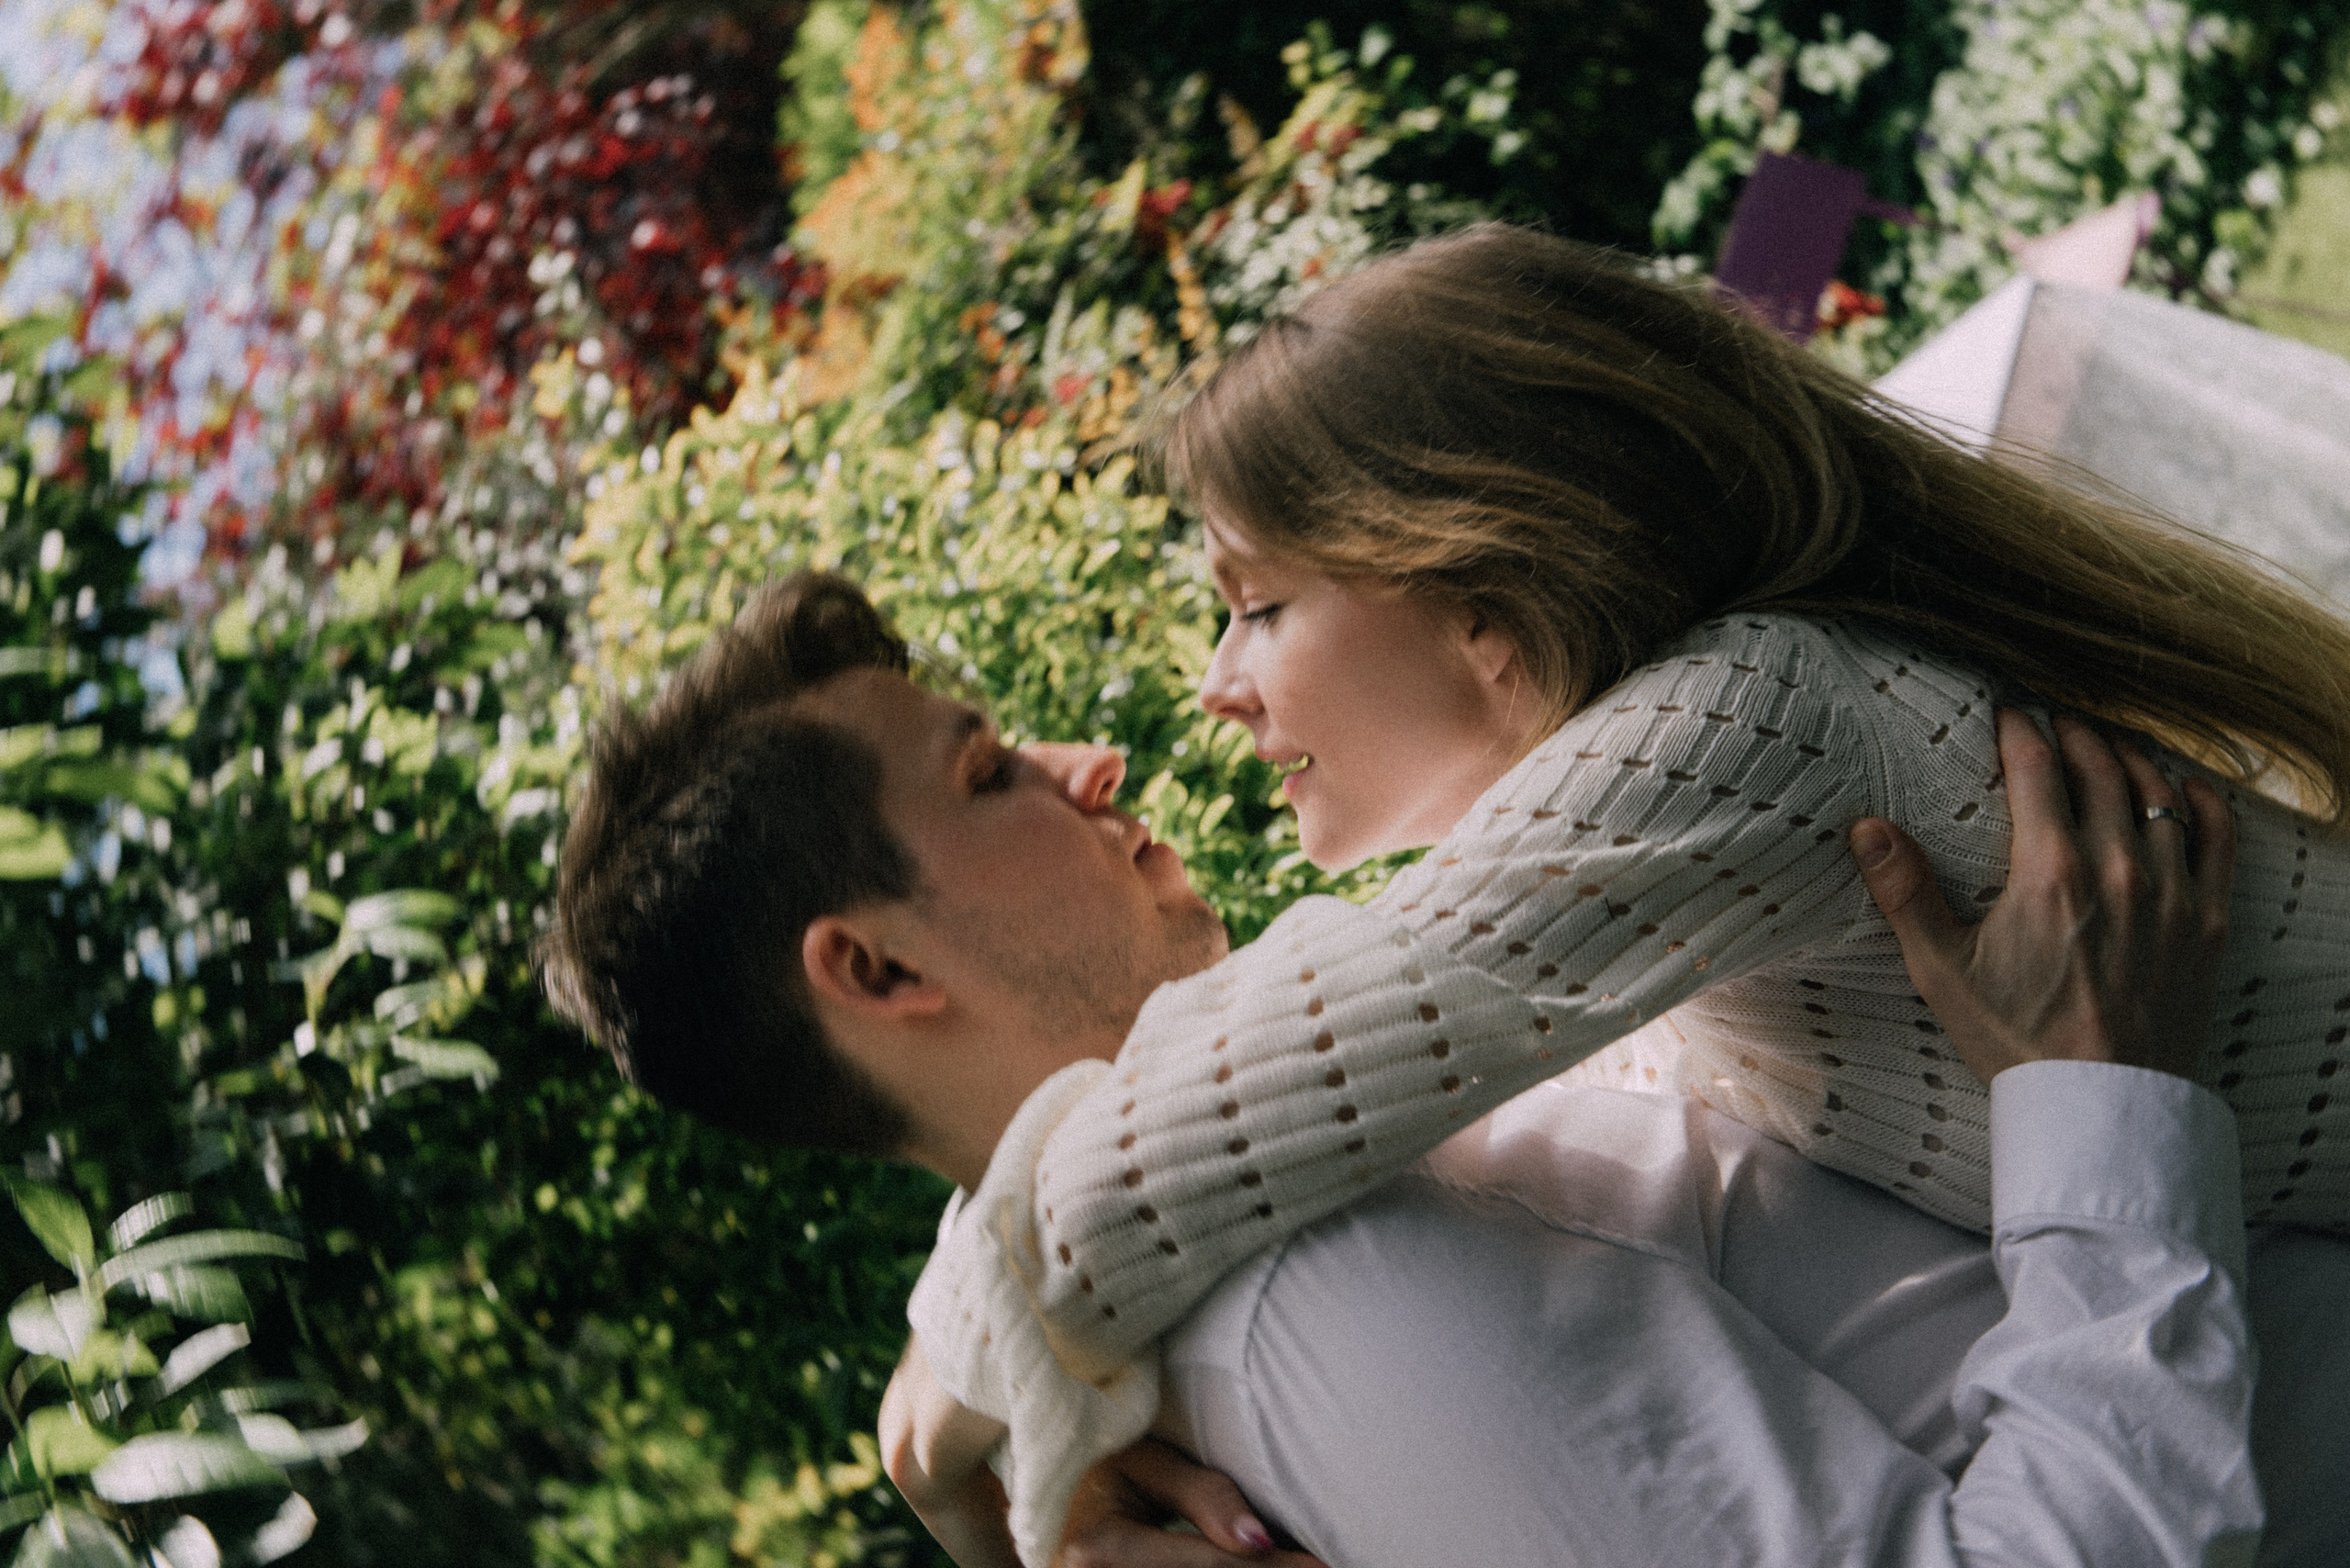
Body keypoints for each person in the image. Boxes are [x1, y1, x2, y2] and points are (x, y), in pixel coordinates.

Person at [903, 224, 2350, 1553]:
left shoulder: (1746, 725)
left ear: (1479, 595)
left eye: (1260, 606)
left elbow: (1239, 1100)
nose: (1218, 684)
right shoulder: (1683, 888)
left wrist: (943, 1419)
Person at [540, 573, 2344, 1568]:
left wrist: (953, 1410)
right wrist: (2105, 1111)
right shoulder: (1321, 1308)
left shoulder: (1319, 1117)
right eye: (987, 771)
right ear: (874, 969)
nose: (1093, 761)